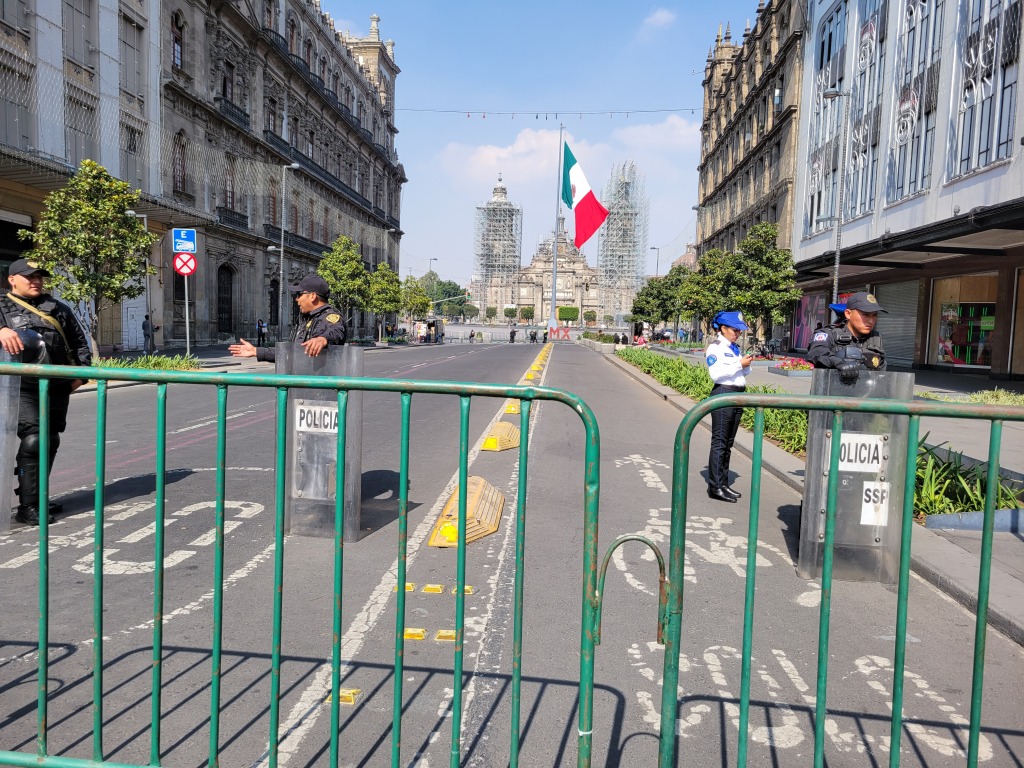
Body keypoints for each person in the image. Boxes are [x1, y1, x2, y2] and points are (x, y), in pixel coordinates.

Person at [0, 258, 92, 525]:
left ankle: (35, 495)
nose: (36, 281)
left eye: (39, 276)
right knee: (34, 439)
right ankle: (27, 507)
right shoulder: (2, 305)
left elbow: (79, 344)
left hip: (56, 386)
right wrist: (2, 329)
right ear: (12, 279)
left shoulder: (57, 308)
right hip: (20, 388)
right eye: (29, 276)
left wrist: (79, 378)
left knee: (50, 439)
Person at [229, 274, 346, 363]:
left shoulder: (330, 316)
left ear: (312, 296)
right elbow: (293, 352)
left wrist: (323, 339)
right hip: (300, 385)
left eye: (299, 294)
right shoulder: (305, 318)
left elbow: (335, 331)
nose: (296, 299)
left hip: (318, 389)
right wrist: (256, 351)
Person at [705, 310, 753, 503]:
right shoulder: (715, 348)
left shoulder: (733, 348)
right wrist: (738, 364)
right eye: (735, 330)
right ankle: (715, 486)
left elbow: (742, 374)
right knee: (720, 442)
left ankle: (723, 483)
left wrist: (746, 364)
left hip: (736, 394)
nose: (738, 334)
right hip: (724, 393)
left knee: (728, 443)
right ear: (723, 328)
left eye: (740, 331)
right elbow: (716, 375)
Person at [807, 291, 887, 384]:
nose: (871, 320)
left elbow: (881, 375)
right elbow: (816, 352)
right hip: (832, 394)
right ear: (848, 314)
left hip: (866, 395)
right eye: (865, 314)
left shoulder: (875, 338)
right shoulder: (829, 334)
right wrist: (838, 363)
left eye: (874, 315)